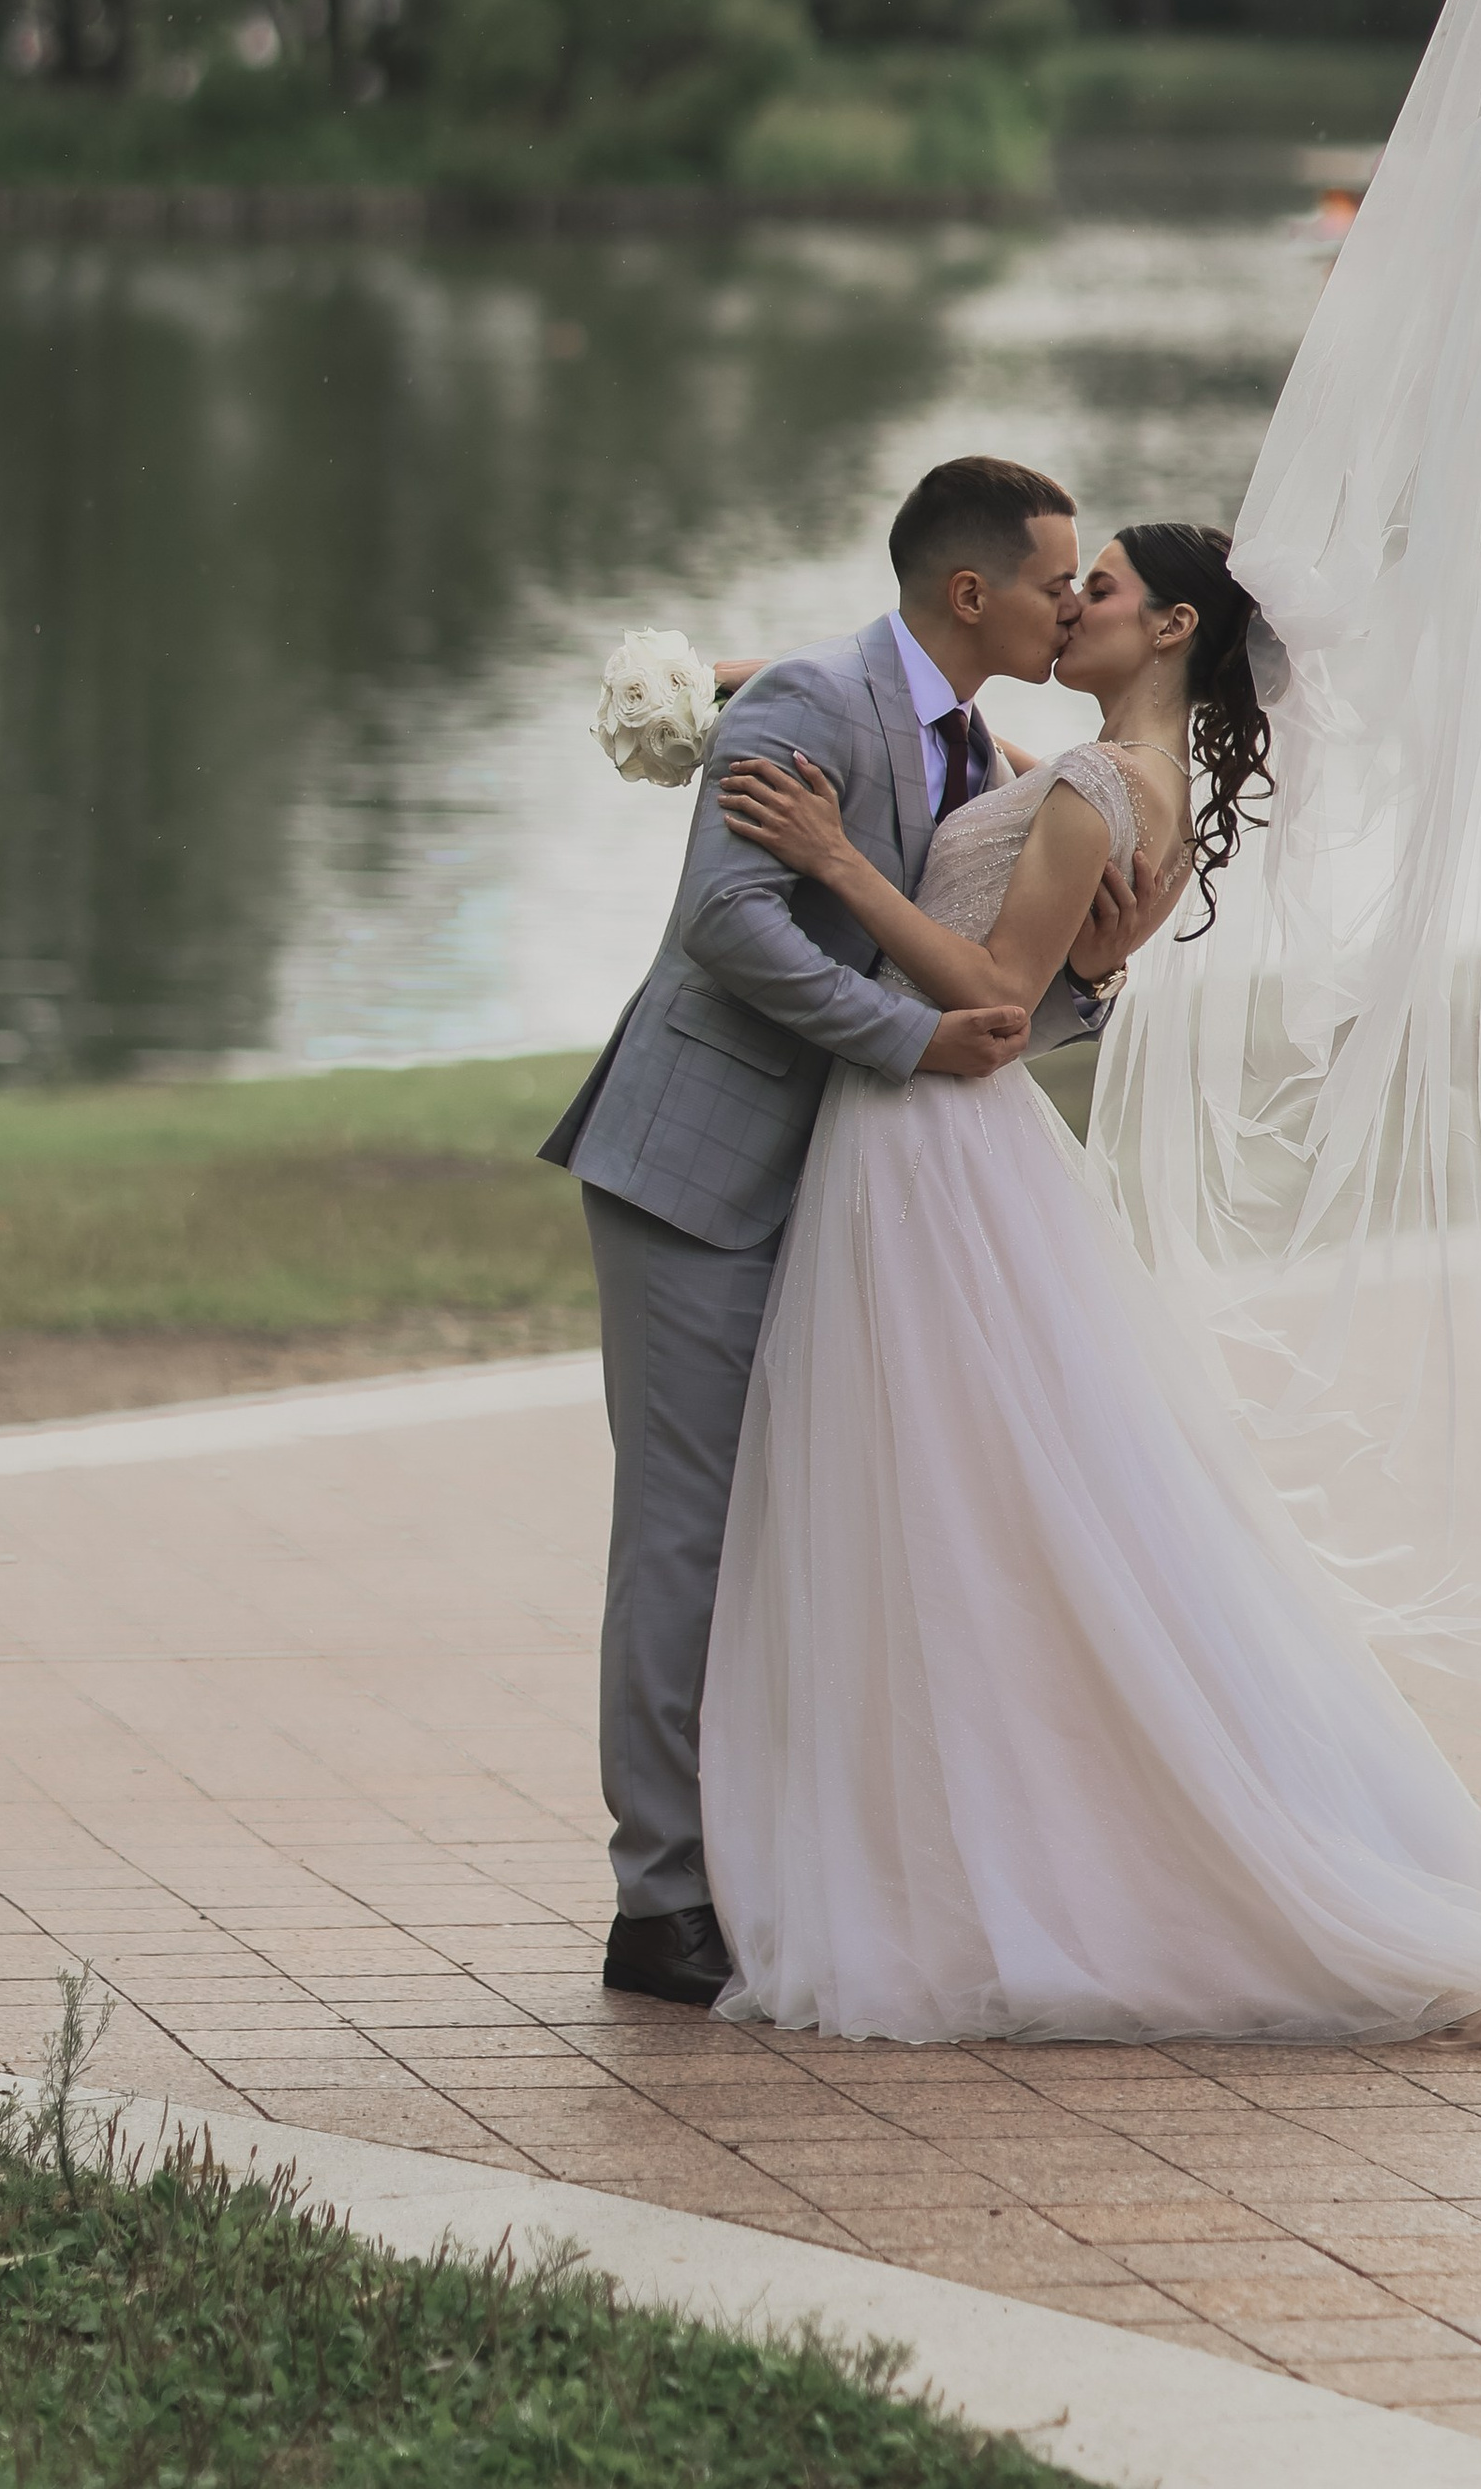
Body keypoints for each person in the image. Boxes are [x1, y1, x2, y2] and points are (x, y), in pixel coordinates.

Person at [699, 523, 1481, 2045]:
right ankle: (962, 1823)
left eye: (1099, 587)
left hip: (933, 1145)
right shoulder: (1106, 778)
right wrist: (740, 690)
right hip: (930, 1149)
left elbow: (994, 993)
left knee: (965, 1498)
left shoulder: (1103, 790)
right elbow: (972, 792)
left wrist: (837, 862)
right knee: (974, 1499)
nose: (1069, 606)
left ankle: (1030, 1848)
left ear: (1172, 626)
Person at [540, 455, 1174, 2010]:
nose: (1070, 605)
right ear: (971, 592)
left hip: (851, 1199)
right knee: (688, 1538)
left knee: (809, 1535)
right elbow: (727, 923)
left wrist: (1078, 980)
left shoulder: (975, 747)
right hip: (700, 1175)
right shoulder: (816, 703)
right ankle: (660, 1902)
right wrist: (908, 1042)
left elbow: (982, 981)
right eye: (1054, 582)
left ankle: (776, 1860)